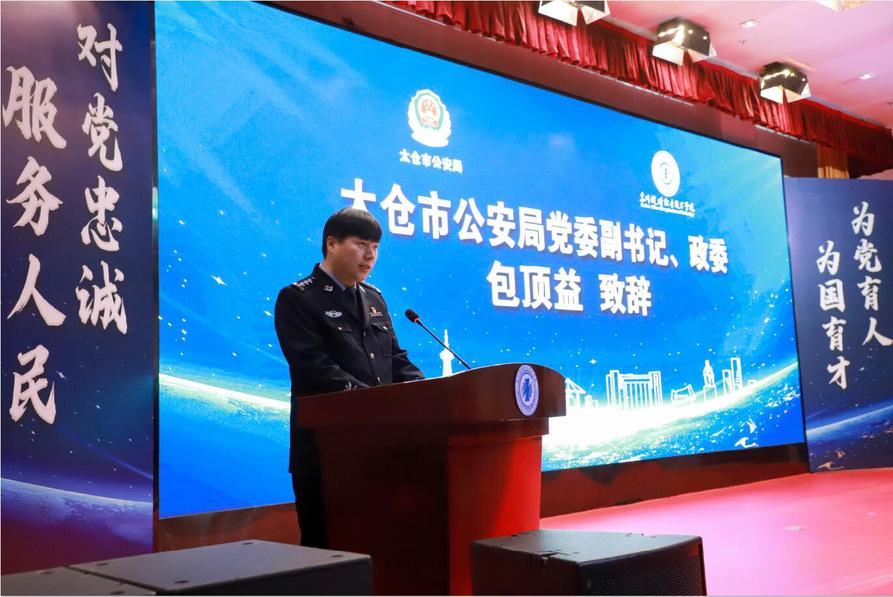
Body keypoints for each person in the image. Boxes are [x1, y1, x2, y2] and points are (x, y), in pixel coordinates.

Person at [274, 207, 424, 547]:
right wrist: (379, 404)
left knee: (383, 544)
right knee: (330, 549)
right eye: (361, 244)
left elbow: (395, 358)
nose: (370, 255)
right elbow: (314, 368)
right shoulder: (298, 298)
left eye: (376, 247)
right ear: (332, 244)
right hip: (327, 453)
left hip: (380, 449)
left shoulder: (374, 298)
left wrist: (427, 390)